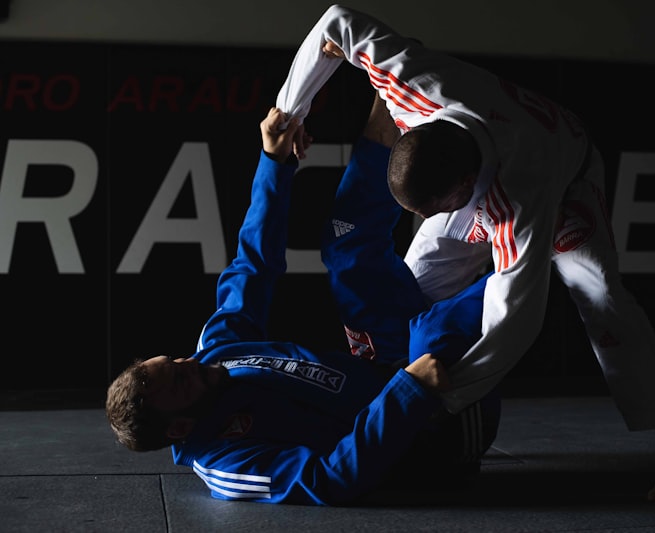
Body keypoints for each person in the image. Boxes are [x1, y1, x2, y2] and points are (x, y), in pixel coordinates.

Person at [274, 4, 655, 501]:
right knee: (418, 301)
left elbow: (513, 326)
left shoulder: (524, 199)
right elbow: (336, 21)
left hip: (567, 179)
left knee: (603, 299)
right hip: (481, 149)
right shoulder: (415, 85)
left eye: (439, 209)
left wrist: (439, 396)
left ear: (462, 187)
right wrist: (291, 111)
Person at [105, 95, 500, 506]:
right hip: (434, 428)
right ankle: (536, 247)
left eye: (175, 360)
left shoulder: (213, 355)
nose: (189, 364)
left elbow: (252, 267)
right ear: (177, 428)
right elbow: (333, 478)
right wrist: (410, 392)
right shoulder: (227, 464)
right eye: (181, 380)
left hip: (388, 368)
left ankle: (391, 102)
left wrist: (273, 164)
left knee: (345, 244)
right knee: (433, 331)